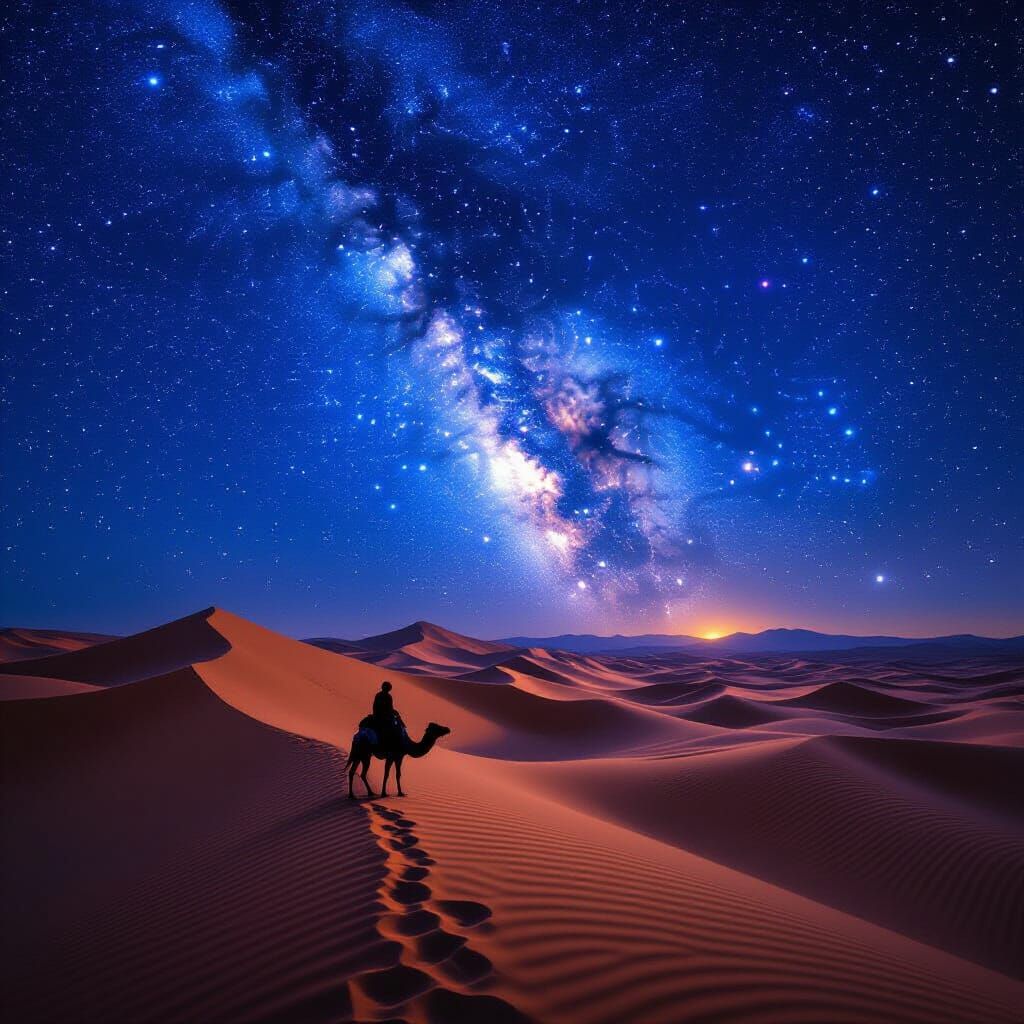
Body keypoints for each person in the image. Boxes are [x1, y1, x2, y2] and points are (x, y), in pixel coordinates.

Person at [371, 680, 405, 749]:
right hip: (381, 715)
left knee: (397, 719)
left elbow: (389, 707)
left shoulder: (384, 695)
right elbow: (378, 706)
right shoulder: (384, 696)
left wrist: (393, 711)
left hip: (382, 714)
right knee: (394, 724)